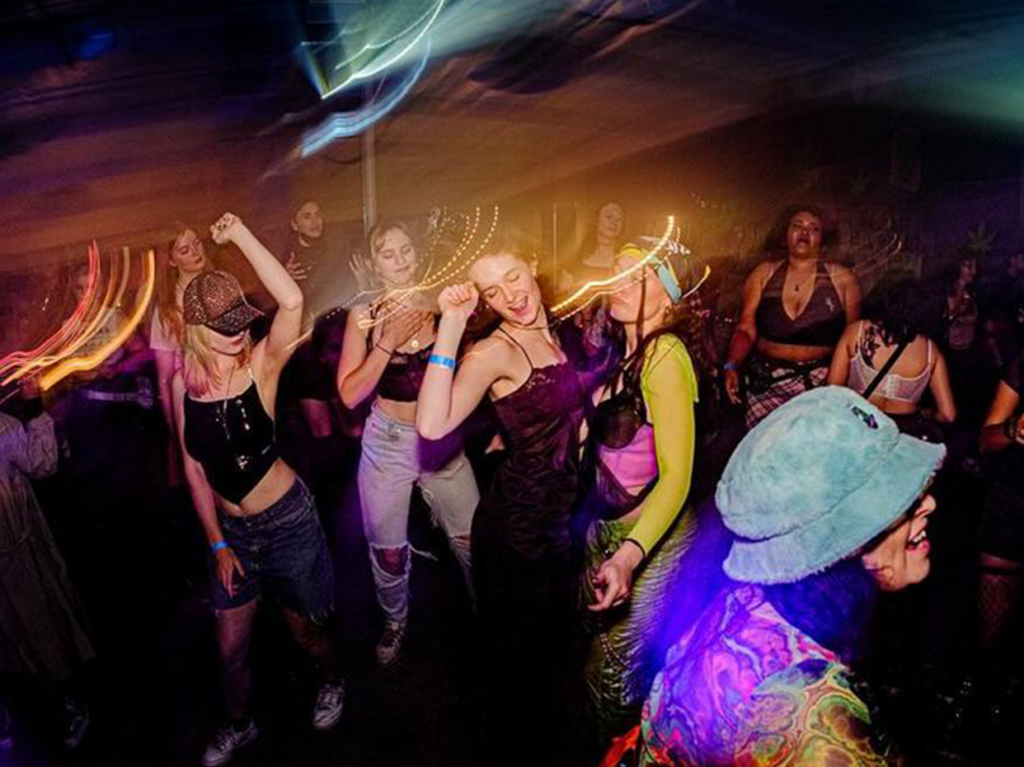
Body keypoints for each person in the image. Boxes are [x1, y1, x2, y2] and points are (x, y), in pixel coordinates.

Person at [604, 386, 945, 767]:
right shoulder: (813, 713)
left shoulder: (754, 598)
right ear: (843, 545)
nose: (928, 501)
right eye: (899, 501)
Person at [172, 213, 342, 767]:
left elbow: (291, 303)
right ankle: (239, 723)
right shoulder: (182, 383)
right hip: (235, 537)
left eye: (242, 319)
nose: (240, 332)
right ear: (196, 328)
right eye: (225, 325)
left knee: (306, 635)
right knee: (229, 651)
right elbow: (195, 469)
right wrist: (218, 543)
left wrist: (242, 234)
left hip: (288, 522)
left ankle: (333, 680)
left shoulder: (261, 366)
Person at [416, 234, 586, 767]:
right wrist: (449, 322)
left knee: (553, 660)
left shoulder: (553, 327)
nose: (510, 295)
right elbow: (432, 423)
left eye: (513, 275)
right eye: (492, 291)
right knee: (521, 674)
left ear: (532, 263)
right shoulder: (494, 351)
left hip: (558, 524)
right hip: (518, 536)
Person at [577, 240, 703, 755]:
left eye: (636, 276)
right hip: (607, 527)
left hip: (648, 535)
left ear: (668, 296)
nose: (618, 283)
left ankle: (627, 754)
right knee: (609, 655)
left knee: (610, 672)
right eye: (617, 272)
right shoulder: (624, 348)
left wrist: (630, 556)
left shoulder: (665, 355)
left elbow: (677, 478)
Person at [336, 220, 478, 667]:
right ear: (374, 263)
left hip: (442, 444)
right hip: (389, 443)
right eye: (387, 253)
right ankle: (395, 619)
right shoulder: (363, 316)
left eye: (405, 249)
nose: (400, 260)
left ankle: (487, 612)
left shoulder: (442, 305)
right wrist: (387, 344)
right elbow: (349, 393)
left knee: (472, 539)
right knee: (390, 552)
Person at [0, 382, 94, 752]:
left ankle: (63, 706)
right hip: (16, 555)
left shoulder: (4, 429)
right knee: (40, 633)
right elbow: (45, 462)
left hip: (13, 553)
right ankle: (67, 705)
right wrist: (36, 410)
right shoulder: (3, 427)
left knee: (30, 635)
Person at [723, 206, 860, 428]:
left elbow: (854, 340)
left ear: (823, 238)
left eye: (813, 228)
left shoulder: (842, 279)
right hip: (767, 382)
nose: (804, 233)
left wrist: (847, 387)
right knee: (763, 450)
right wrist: (732, 365)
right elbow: (745, 329)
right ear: (785, 234)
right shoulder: (763, 273)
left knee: (808, 452)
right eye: (797, 226)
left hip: (821, 383)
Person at [829, 266, 955, 438]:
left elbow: (832, 391)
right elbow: (948, 415)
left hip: (860, 425)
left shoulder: (855, 332)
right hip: (902, 434)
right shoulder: (930, 351)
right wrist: (928, 414)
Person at [976, 349, 1024, 711]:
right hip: (1013, 503)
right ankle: (982, 695)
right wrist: (1012, 429)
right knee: (992, 627)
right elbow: (985, 440)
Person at [151, 226, 212, 483]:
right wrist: (175, 429)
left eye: (197, 243)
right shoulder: (167, 310)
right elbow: (165, 379)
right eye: (185, 249)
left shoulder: (218, 287)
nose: (196, 252)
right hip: (193, 399)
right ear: (172, 261)